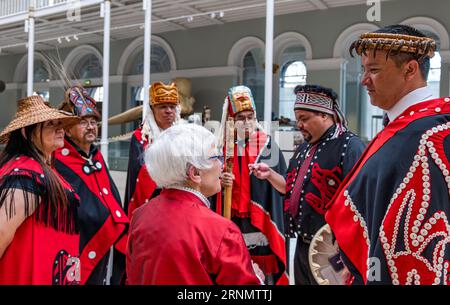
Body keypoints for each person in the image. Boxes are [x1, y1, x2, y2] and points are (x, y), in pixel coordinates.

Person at [325, 24, 450, 285]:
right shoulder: (404, 127)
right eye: (363, 70)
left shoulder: (422, 135)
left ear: (410, 69)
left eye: (374, 70)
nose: (363, 80)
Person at [250, 85, 365, 284]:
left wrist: (347, 254)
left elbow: (359, 203)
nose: (299, 125)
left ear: (325, 115)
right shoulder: (304, 148)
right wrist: (269, 175)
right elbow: (290, 188)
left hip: (333, 249)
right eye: (297, 120)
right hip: (303, 246)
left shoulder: (349, 145)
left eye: (304, 119)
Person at [126, 124, 262, 285]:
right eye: (216, 158)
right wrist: (258, 278)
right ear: (195, 173)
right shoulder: (220, 230)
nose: (222, 165)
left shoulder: (140, 216)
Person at [0, 95, 81, 284]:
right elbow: (2, 231)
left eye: (60, 123)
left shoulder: (38, 169)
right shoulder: (24, 174)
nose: (61, 129)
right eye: (51, 124)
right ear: (25, 132)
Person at [54, 86, 128, 285]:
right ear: (68, 129)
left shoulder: (95, 155)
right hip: (77, 244)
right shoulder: (58, 161)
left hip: (106, 246)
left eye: (93, 122)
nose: (90, 127)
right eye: (83, 122)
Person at [217, 85, 288, 284]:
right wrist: (220, 183)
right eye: (241, 118)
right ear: (231, 120)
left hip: (261, 223)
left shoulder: (268, 145)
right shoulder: (219, 147)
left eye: (250, 116)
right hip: (230, 221)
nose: (247, 122)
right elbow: (206, 188)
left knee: (265, 276)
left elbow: (282, 188)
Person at [124, 81, 181, 218]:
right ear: (152, 108)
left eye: (172, 107)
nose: (168, 111)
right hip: (150, 199)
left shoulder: (183, 135)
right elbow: (139, 172)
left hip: (178, 198)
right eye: (163, 107)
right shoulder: (140, 137)